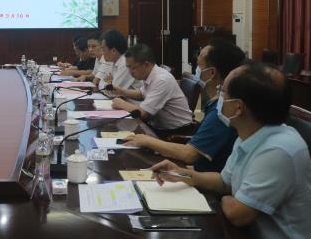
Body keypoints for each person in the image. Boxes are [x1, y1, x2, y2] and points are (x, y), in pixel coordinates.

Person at [151, 63, 311, 239]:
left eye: (223, 92)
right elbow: (224, 182)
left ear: (238, 107)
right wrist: (181, 174)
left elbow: (237, 214)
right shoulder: (248, 133)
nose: (218, 97)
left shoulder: (278, 150)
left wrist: (227, 198)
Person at [124, 40, 245, 172]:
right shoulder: (216, 104)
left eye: (198, 66)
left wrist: (147, 141)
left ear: (212, 73)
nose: (196, 70)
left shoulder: (221, 111)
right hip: (198, 170)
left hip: (195, 163)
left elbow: (190, 154)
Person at [112, 43, 194, 136]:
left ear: (146, 64)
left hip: (176, 133)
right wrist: (122, 91)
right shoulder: (150, 74)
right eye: (128, 67)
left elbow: (142, 113)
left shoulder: (162, 80)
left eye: (133, 68)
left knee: (124, 135)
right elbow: (141, 94)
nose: (130, 72)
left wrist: (122, 104)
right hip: (158, 127)